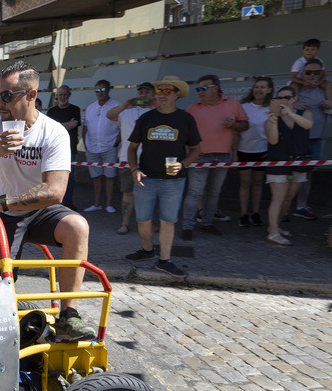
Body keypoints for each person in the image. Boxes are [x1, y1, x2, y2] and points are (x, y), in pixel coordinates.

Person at [0, 60, 95, 341]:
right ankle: (0, 331)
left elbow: (55, 192)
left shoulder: (53, 132)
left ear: (31, 95)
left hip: (33, 209)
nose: (0, 102)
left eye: (8, 95)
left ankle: (68, 317)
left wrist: (3, 202)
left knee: (78, 226)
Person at [124, 76, 202, 277]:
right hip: (146, 178)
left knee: (168, 221)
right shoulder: (146, 119)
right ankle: (147, 251)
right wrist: (134, 170)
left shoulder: (186, 119)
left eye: (168, 91)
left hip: (174, 181)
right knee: (143, 220)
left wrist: (183, 164)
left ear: (177, 95)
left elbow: (196, 150)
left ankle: (165, 260)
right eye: (160, 91)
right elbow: (132, 149)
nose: (162, 95)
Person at [182, 74, 248, 239]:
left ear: (216, 88)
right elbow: (184, 133)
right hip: (199, 157)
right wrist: (187, 154)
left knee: (214, 192)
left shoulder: (232, 104)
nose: (200, 92)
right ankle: (187, 227)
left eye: (204, 88)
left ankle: (207, 223)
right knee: (194, 192)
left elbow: (245, 124)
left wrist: (234, 125)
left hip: (223, 156)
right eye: (198, 89)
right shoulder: (193, 108)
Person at [264, 86, 315, 246]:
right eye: (279, 98)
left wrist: (291, 113)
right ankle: (273, 232)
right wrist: (273, 123)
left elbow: (308, 125)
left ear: (294, 98)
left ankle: (276, 227)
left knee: (289, 198)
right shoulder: (271, 119)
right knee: (278, 198)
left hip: (299, 162)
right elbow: (272, 141)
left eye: (286, 97)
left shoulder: (303, 114)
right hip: (278, 161)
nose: (283, 101)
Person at [105, 83, 156, 234]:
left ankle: (149, 224)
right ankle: (125, 223)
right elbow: (110, 116)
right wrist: (125, 105)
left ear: (153, 94)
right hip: (128, 160)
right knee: (127, 193)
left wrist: (156, 104)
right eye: (141, 92)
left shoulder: (159, 112)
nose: (144, 95)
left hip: (152, 160)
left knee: (150, 195)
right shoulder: (127, 112)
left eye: (147, 92)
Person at [287, 59, 332, 221]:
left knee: (308, 175)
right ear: (302, 73)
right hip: (295, 140)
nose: (312, 76)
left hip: (315, 140)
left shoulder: (326, 88)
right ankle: (283, 207)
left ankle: (301, 206)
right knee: (289, 173)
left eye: (316, 72)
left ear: (322, 73)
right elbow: (280, 108)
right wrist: (294, 105)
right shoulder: (293, 87)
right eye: (308, 72)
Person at [237, 77, 274, 228]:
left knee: (258, 182)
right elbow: (236, 130)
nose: (258, 90)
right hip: (244, 150)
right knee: (245, 183)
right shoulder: (243, 107)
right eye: (256, 87)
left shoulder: (272, 108)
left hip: (262, 151)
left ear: (269, 90)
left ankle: (256, 213)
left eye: (263, 87)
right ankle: (244, 214)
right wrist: (233, 151)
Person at [82, 79, 122, 212]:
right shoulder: (90, 107)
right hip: (92, 148)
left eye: (103, 90)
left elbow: (123, 127)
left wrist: (116, 143)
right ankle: (97, 203)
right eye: (97, 90)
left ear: (109, 90)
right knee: (96, 177)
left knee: (110, 176)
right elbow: (85, 127)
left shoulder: (117, 105)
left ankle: (109, 204)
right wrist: (86, 144)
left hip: (109, 147)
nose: (100, 93)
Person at [46, 85, 82, 207]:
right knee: (52, 177)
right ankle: (54, 202)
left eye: (65, 94)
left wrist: (58, 125)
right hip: (53, 149)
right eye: (60, 95)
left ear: (69, 95)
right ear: (57, 96)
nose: (63, 97)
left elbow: (75, 124)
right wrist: (67, 124)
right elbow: (49, 130)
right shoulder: (51, 111)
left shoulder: (75, 109)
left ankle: (67, 202)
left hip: (70, 149)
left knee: (70, 177)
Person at [289, 38, 332, 116]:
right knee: (293, 85)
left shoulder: (320, 60)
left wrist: (318, 83)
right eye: (307, 49)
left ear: (318, 50)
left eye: (313, 49)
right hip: (300, 81)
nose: (309, 52)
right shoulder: (299, 62)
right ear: (303, 51)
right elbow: (293, 77)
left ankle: (329, 106)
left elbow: (323, 74)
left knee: (328, 84)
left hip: (316, 82)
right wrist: (304, 82)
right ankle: (294, 103)